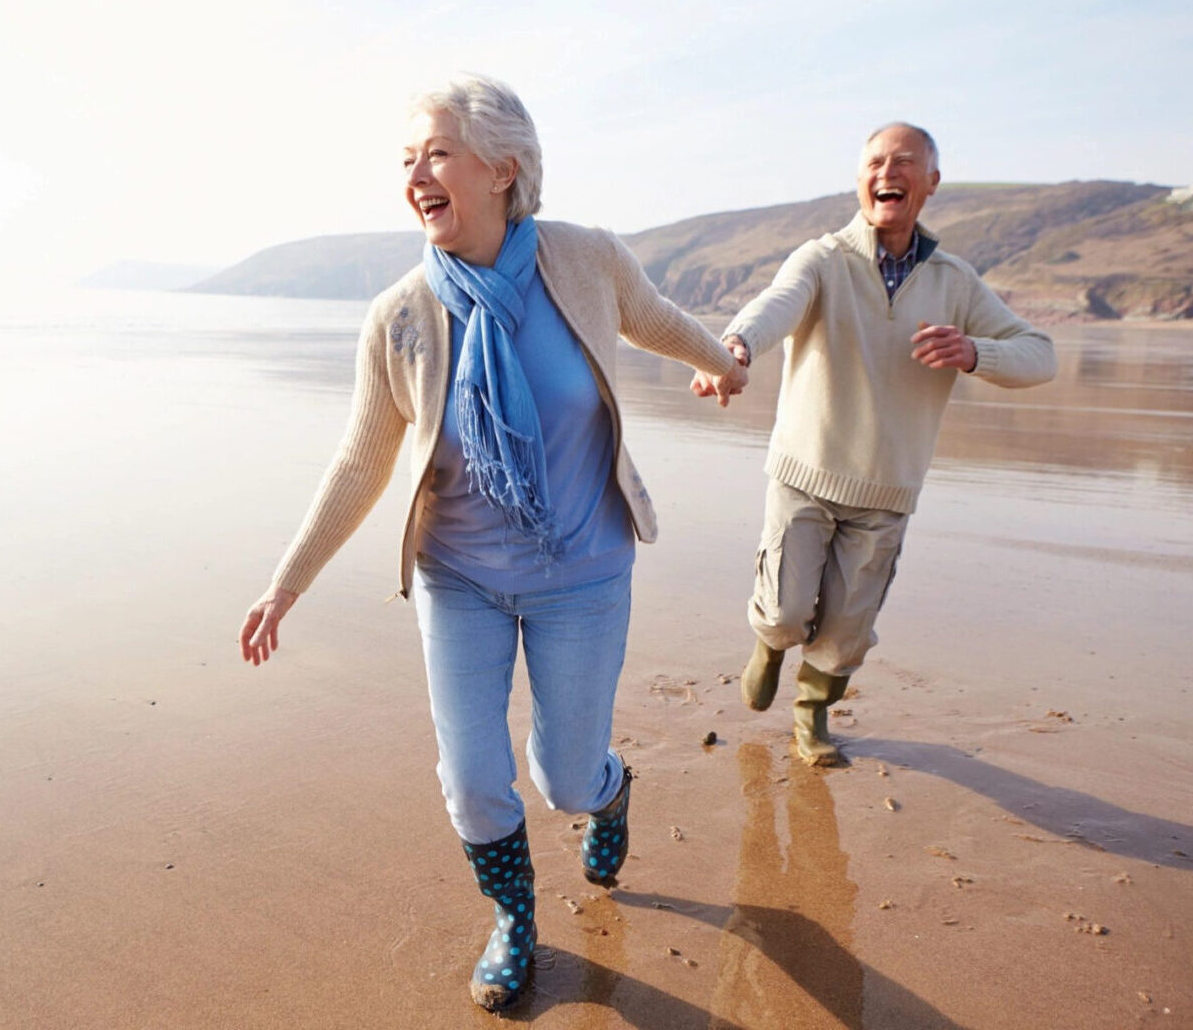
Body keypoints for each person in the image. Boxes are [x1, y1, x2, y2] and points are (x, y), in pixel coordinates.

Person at [238, 73, 747, 1012]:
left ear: (504, 167)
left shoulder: (586, 261)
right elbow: (360, 466)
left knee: (564, 776)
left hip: (584, 572)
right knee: (473, 782)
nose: (415, 175)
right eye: (406, 160)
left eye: (435, 153)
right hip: (458, 578)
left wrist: (725, 364)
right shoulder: (400, 316)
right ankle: (514, 920)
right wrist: (285, 586)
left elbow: (660, 323)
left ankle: (612, 792)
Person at [692, 122, 1057, 767]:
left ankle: (811, 715)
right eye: (875, 162)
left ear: (931, 183)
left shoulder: (955, 281)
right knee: (784, 610)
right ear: (860, 177)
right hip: (805, 471)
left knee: (845, 631)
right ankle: (770, 645)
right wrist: (735, 347)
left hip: (888, 489)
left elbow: (1040, 356)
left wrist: (976, 351)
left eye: (904, 162)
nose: (887, 172)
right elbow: (775, 304)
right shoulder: (823, 258)